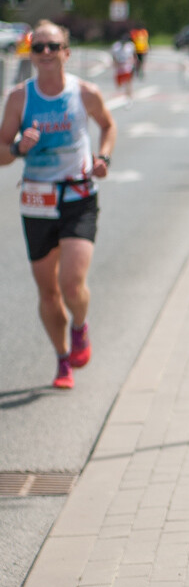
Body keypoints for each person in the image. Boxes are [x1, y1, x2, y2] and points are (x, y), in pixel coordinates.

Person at [0, 20, 117, 389]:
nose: (46, 53)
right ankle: (62, 358)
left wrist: (104, 159)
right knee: (48, 291)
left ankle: (80, 327)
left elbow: (108, 126)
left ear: (66, 52)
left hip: (78, 196)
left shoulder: (85, 93)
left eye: (53, 46)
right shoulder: (20, 98)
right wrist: (19, 147)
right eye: (39, 47)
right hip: (36, 199)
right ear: (31, 54)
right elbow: (2, 152)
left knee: (71, 284)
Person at [110, 32, 136, 103]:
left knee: (128, 81)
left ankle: (129, 95)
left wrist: (134, 63)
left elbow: (133, 56)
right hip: (119, 66)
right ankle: (121, 95)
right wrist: (115, 64)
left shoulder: (130, 46)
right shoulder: (116, 46)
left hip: (128, 66)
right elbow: (113, 56)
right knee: (119, 84)